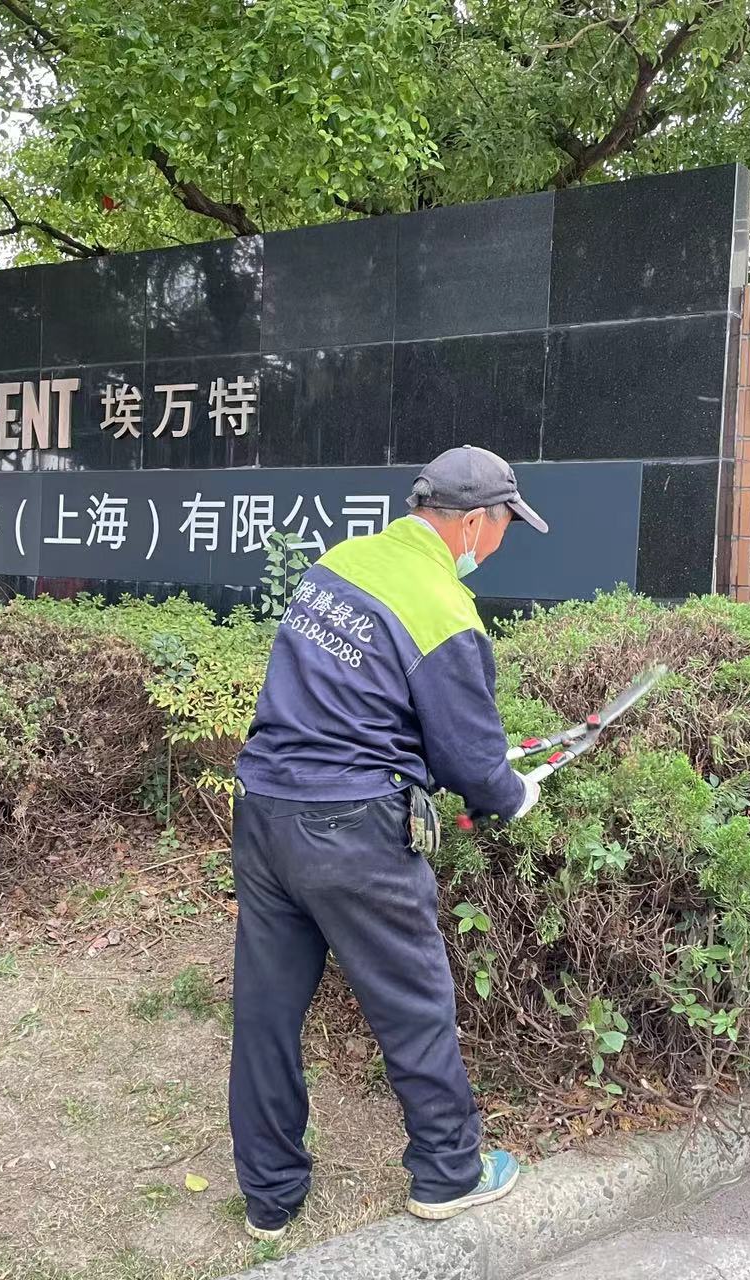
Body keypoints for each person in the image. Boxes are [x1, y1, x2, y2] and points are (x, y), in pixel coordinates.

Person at [229, 445, 549, 1241]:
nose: (500, 542)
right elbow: (472, 763)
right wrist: (515, 793)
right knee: (414, 1003)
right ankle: (449, 1172)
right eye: (505, 526)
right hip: (352, 831)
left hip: (264, 811)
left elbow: (345, 697)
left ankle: (270, 1197)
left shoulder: (341, 562)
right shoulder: (442, 607)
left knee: (267, 1010)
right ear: (472, 523)